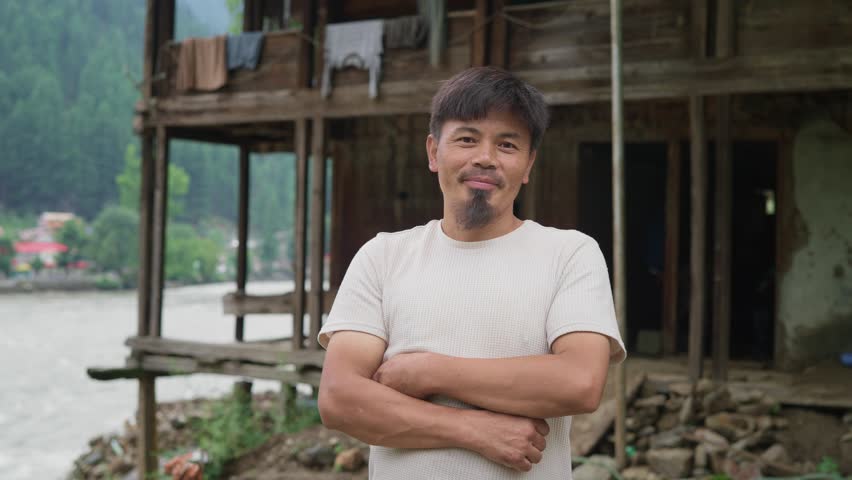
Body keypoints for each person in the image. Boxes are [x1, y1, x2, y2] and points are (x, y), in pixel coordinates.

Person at [317, 66, 626, 479]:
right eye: (466, 139)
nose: (485, 158)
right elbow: (339, 398)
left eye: (508, 144)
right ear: (433, 152)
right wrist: (474, 429)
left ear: (529, 164)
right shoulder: (383, 256)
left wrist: (427, 371)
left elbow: (580, 382)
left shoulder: (569, 254)